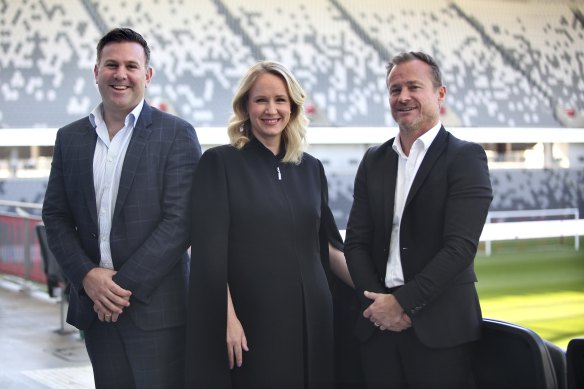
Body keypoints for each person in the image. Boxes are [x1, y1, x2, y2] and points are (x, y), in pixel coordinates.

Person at [42, 28, 201, 388]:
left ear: (147, 75)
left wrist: (116, 289)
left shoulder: (176, 134)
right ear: (95, 71)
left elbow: (180, 221)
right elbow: (56, 216)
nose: (120, 74)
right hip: (96, 312)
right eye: (111, 64)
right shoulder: (70, 138)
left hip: (157, 312)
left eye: (131, 65)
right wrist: (88, 277)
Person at [184, 60, 353, 389]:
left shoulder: (311, 169)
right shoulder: (219, 163)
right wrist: (227, 319)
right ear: (245, 106)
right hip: (254, 321)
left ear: (292, 106)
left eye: (280, 100)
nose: (271, 109)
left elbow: (328, 246)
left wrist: (377, 291)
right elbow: (208, 254)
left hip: (314, 319)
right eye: (261, 100)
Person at [344, 51, 493, 389]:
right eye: (395, 90)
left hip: (439, 331)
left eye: (414, 86)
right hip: (378, 327)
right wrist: (380, 306)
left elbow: (460, 248)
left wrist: (401, 304)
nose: (403, 97)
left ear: (440, 94)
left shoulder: (465, 157)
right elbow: (355, 242)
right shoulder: (373, 160)